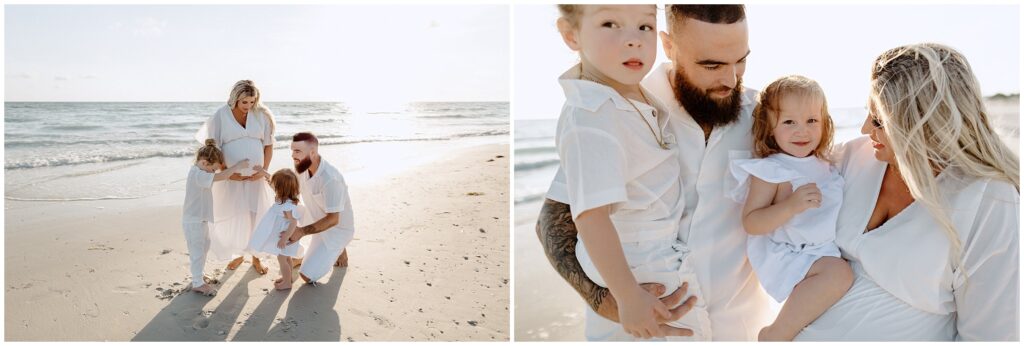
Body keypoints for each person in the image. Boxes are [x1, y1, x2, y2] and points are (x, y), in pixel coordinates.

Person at [536, 5, 774, 340]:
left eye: (741, 61)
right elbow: (554, 221)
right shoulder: (619, 105)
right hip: (638, 330)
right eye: (711, 65)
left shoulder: (768, 116)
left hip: (741, 328)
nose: (731, 79)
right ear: (669, 46)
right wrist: (604, 299)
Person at [795, 43, 1019, 341]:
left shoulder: (990, 201)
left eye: (878, 121)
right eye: (867, 113)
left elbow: (991, 334)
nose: (863, 129)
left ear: (922, 123)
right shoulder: (854, 157)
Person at [550, 4, 710, 341]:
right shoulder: (592, 116)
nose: (633, 40)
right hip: (638, 267)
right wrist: (626, 296)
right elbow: (591, 216)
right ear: (571, 34)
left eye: (645, 27)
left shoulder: (629, 96)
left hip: (656, 258)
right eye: (610, 23)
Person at [725, 75, 852, 340]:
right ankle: (776, 333)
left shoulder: (825, 165)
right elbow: (752, 222)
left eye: (811, 121)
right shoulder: (772, 170)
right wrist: (790, 206)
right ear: (770, 127)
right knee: (838, 274)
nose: (801, 131)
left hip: (819, 250)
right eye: (789, 122)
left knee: (841, 277)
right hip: (789, 252)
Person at [195, 80, 276, 274]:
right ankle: (238, 254)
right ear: (235, 99)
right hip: (233, 176)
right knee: (234, 213)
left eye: (252, 102)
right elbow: (214, 148)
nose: (248, 107)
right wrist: (228, 173)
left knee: (256, 214)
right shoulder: (220, 116)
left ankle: (256, 257)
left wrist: (263, 171)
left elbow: (268, 145)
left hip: (255, 177)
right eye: (244, 102)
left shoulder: (262, 115)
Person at [283, 132, 354, 285]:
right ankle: (304, 254)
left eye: (297, 151)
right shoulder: (301, 167)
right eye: (292, 150)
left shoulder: (331, 179)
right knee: (284, 215)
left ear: (312, 152)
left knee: (306, 276)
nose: (292, 155)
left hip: (336, 229)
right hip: (316, 219)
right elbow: (294, 191)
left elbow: (334, 219)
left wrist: (301, 232)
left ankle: (339, 249)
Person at [182, 139, 251, 296]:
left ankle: (198, 275)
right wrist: (237, 167)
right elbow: (222, 177)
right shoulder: (198, 174)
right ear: (205, 163)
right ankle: (197, 283)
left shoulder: (201, 171)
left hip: (199, 219)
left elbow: (218, 176)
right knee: (197, 250)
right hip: (193, 221)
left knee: (204, 246)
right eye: (213, 169)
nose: (214, 172)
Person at [247, 168, 305, 291]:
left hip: (285, 236)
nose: (271, 184)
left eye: (274, 184)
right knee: (286, 257)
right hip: (283, 236)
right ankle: (287, 278)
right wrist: (263, 172)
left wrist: (284, 238)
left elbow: (293, 223)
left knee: (282, 259)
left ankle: (287, 283)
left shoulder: (287, 206)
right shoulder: (283, 197)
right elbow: (272, 179)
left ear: (280, 188)